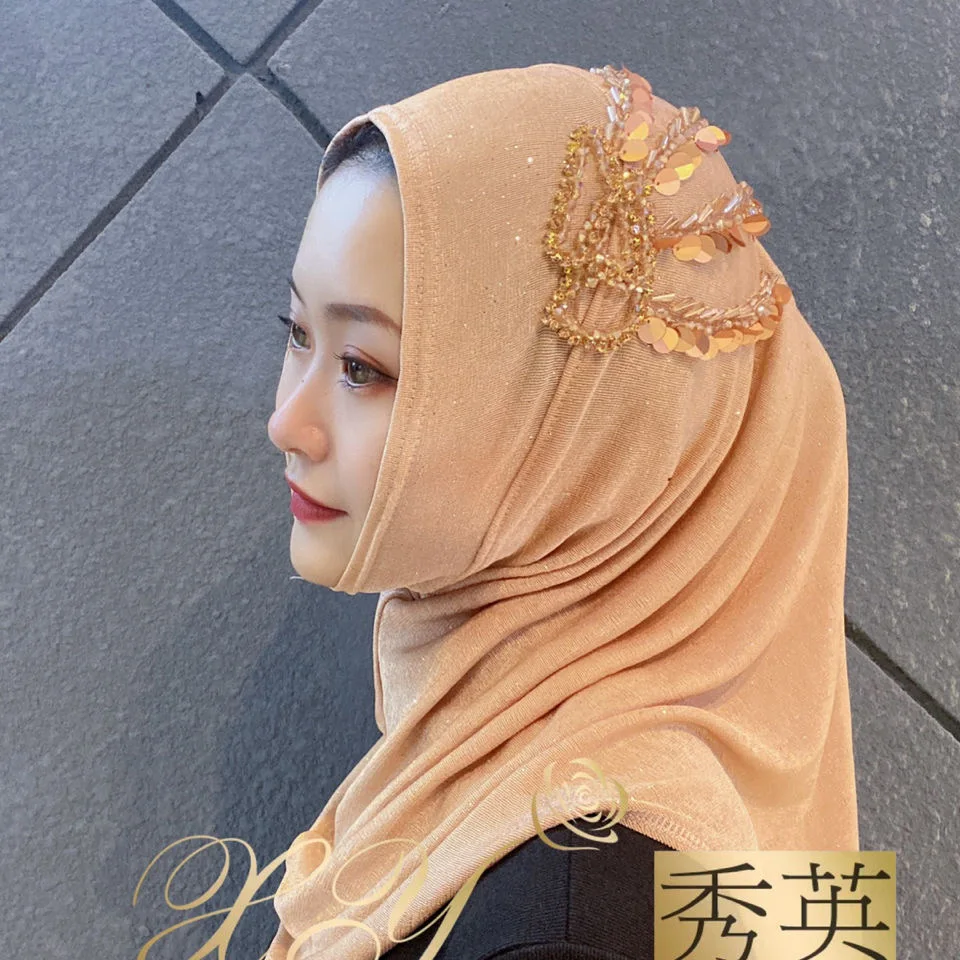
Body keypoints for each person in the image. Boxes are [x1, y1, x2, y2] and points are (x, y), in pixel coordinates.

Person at [264, 62, 859, 960]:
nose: (287, 422)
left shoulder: (575, 912)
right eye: (298, 334)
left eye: (363, 369)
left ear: (592, 441)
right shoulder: (552, 760)